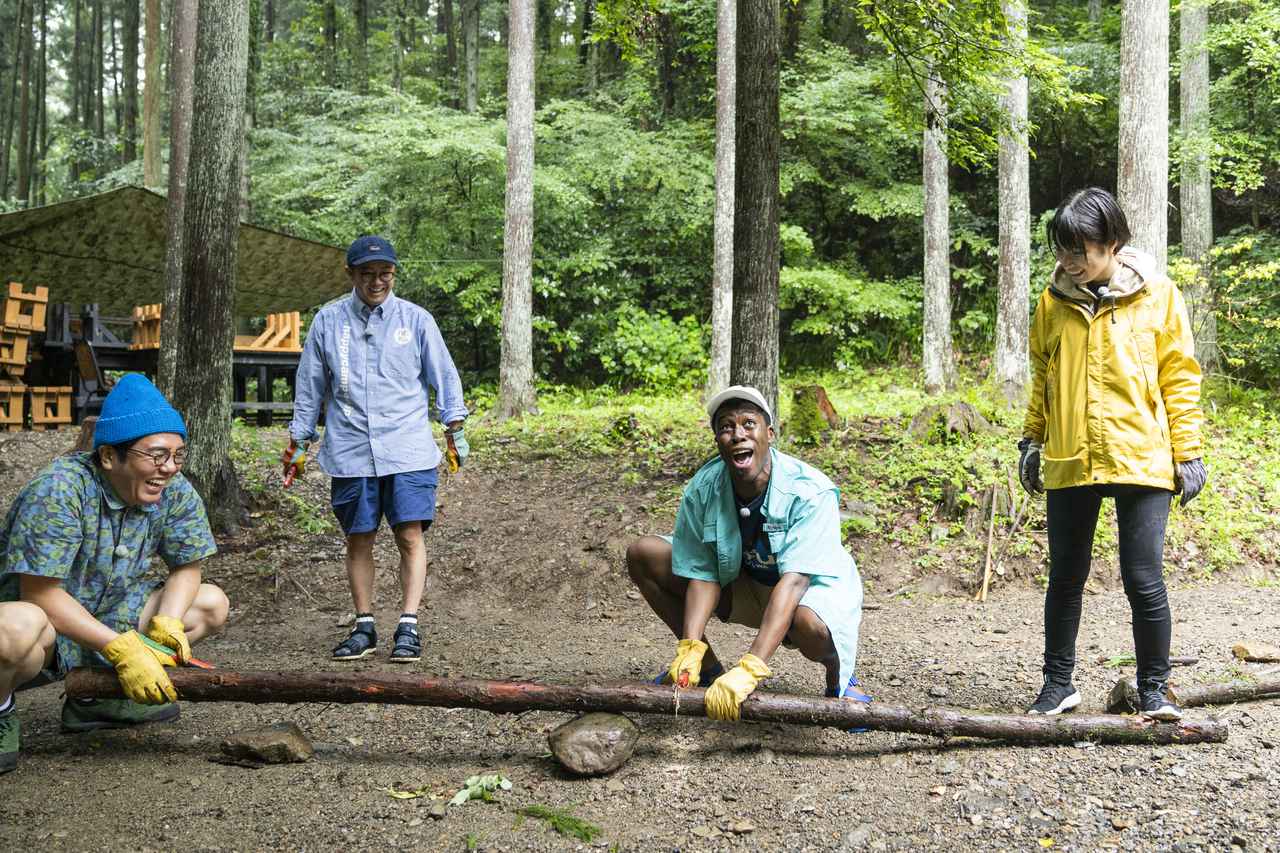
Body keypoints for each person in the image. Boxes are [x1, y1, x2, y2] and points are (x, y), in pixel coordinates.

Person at [1020, 187, 1206, 721]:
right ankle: (1058, 686)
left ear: (1114, 243)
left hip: (1141, 453)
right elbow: (1043, 378)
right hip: (1071, 456)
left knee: (1143, 577)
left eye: (1082, 250)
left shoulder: (1158, 294)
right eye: (1063, 250)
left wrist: (1188, 451)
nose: (1070, 262)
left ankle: (1154, 690)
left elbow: (1180, 376)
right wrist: (1031, 440)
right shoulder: (1053, 302)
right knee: (1065, 576)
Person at [0, 374, 228, 774]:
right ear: (109, 457)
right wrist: (121, 649)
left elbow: (188, 566)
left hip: (107, 616)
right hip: (39, 628)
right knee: (19, 627)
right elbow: (39, 593)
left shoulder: (172, 489)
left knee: (209, 604)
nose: (170, 468)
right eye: (156, 455)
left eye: (178, 455)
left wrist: (169, 621)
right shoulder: (59, 490)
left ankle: (95, 699)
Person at [626, 385, 868, 722]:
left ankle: (839, 680)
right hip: (744, 581)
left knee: (811, 626)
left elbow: (796, 581)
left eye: (748, 424)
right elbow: (701, 571)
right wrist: (690, 645)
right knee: (644, 553)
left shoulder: (809, 490)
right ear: (717, 441)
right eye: (726, 426)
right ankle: (706, 669)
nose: (738, 434)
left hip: (804, 593)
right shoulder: (704, 488)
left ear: (769, 434)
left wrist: (751, 667)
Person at [288, 235, 468, 664]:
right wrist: (298, 443)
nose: (376, 281)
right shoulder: (328, 322)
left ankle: (408, 625)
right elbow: (310, 385)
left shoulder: (416, 320)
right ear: (351, 275)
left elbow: (443, 374)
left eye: (384, 273)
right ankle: (364, 624)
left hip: (407, 448)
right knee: (359, 537)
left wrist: (454, 429)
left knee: (409, 534)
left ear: (393, 274)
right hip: (350, 448)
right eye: (367, 274)